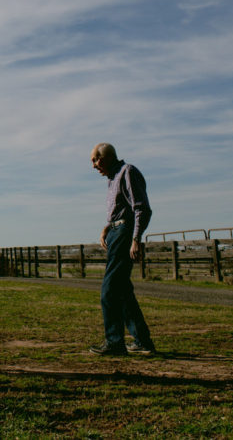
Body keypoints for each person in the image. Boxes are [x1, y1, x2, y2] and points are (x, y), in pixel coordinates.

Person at [88, 142, 156, 356]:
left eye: (94, 160)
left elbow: (141, 208)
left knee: (109, 290)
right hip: (117, 232)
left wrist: (136, 238)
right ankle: (142, 341)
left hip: (125, 234)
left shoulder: (127, 172)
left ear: (104, 158)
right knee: (123, 291)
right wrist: (107, 228)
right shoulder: (112, 179)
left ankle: (115, 341)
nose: (93, 166)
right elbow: (121, 210)